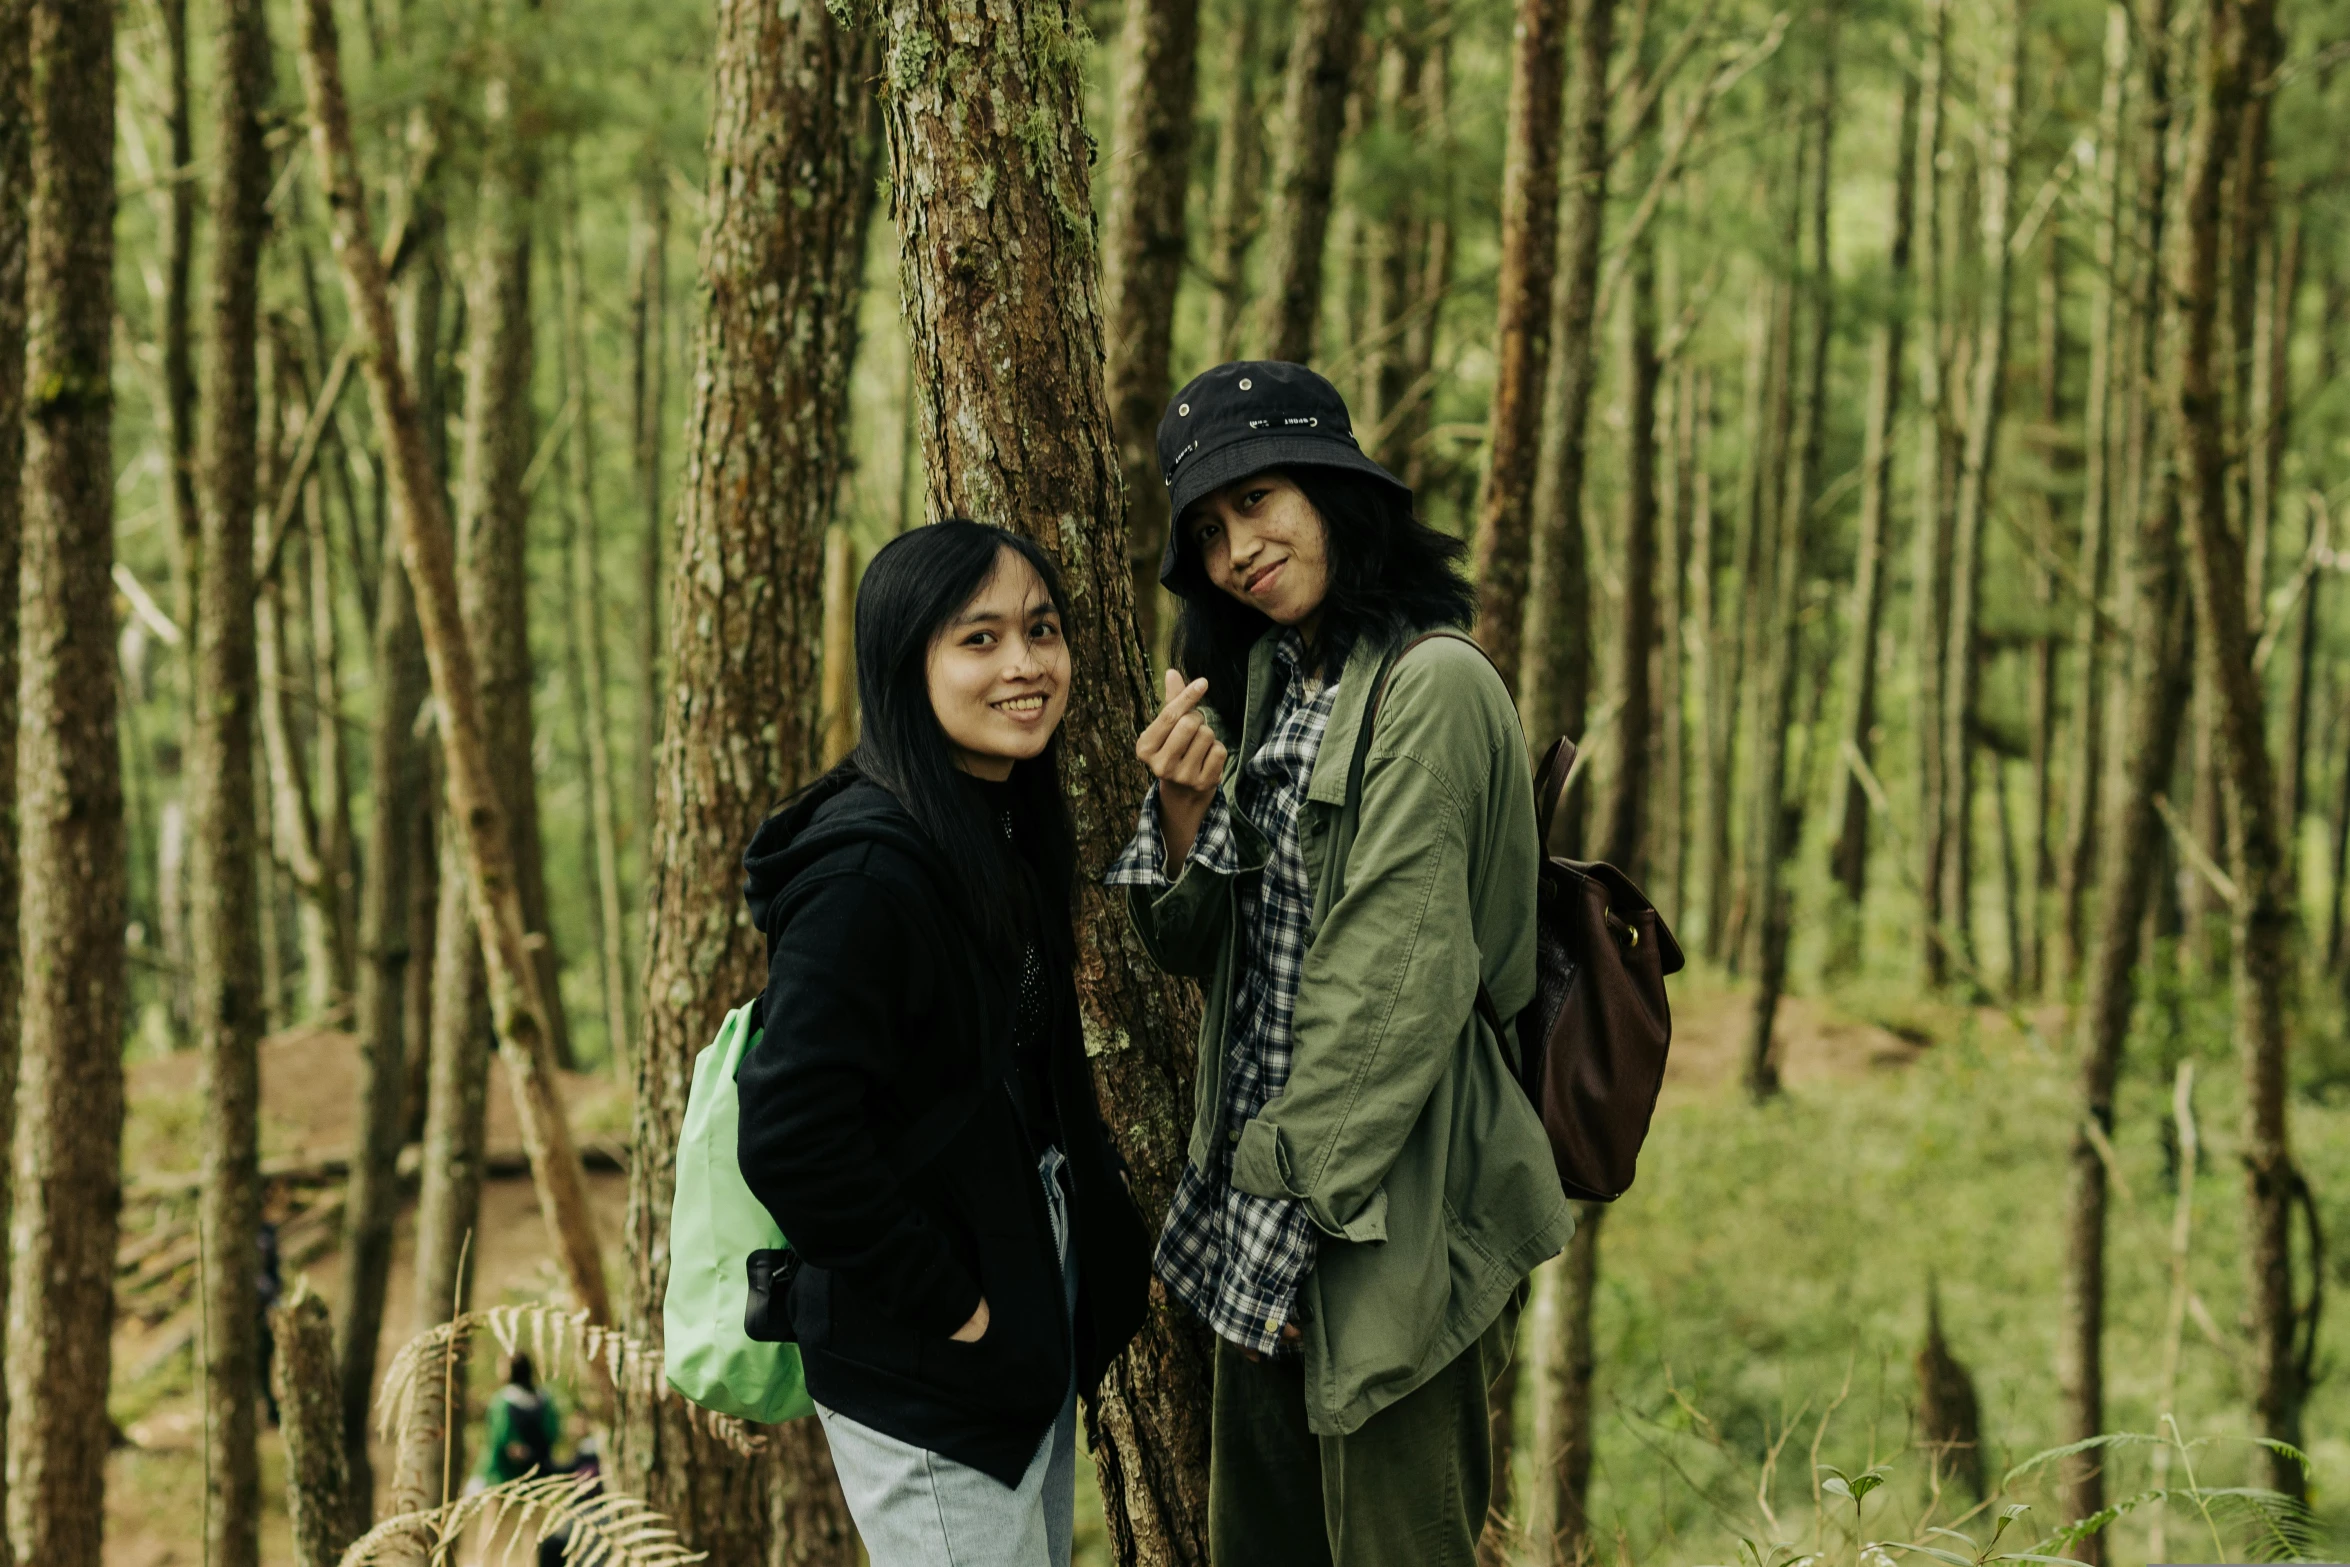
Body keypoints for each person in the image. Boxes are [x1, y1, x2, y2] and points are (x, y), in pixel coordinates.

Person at [1106, 360, 1576, 1567]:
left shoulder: (1436, 684)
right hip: (1261, 1200)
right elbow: (1187, 946)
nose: (1236, 550)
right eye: (1207, 531)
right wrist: (1179, 811)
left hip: (1379, 1216)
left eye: (1259, 500)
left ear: (1331, 490)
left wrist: (1287, 1204)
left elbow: (1394, 987)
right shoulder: (1272, 681)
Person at [736, 520, 1152, 1567]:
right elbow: (788, 1133)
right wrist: (951, 1307)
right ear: (903, 660)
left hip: (1008, 1318)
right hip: (927, 1353)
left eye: (1042, 630)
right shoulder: (863, 876)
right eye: (979, 639)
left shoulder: (991, 826)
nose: (1025, 664)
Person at [474, 1353, 559, 1489]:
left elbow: (498, 1437)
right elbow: (552, 1432)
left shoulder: (502, 1402)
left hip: (502, 1473)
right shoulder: (544, 1399)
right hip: (540, 1470)